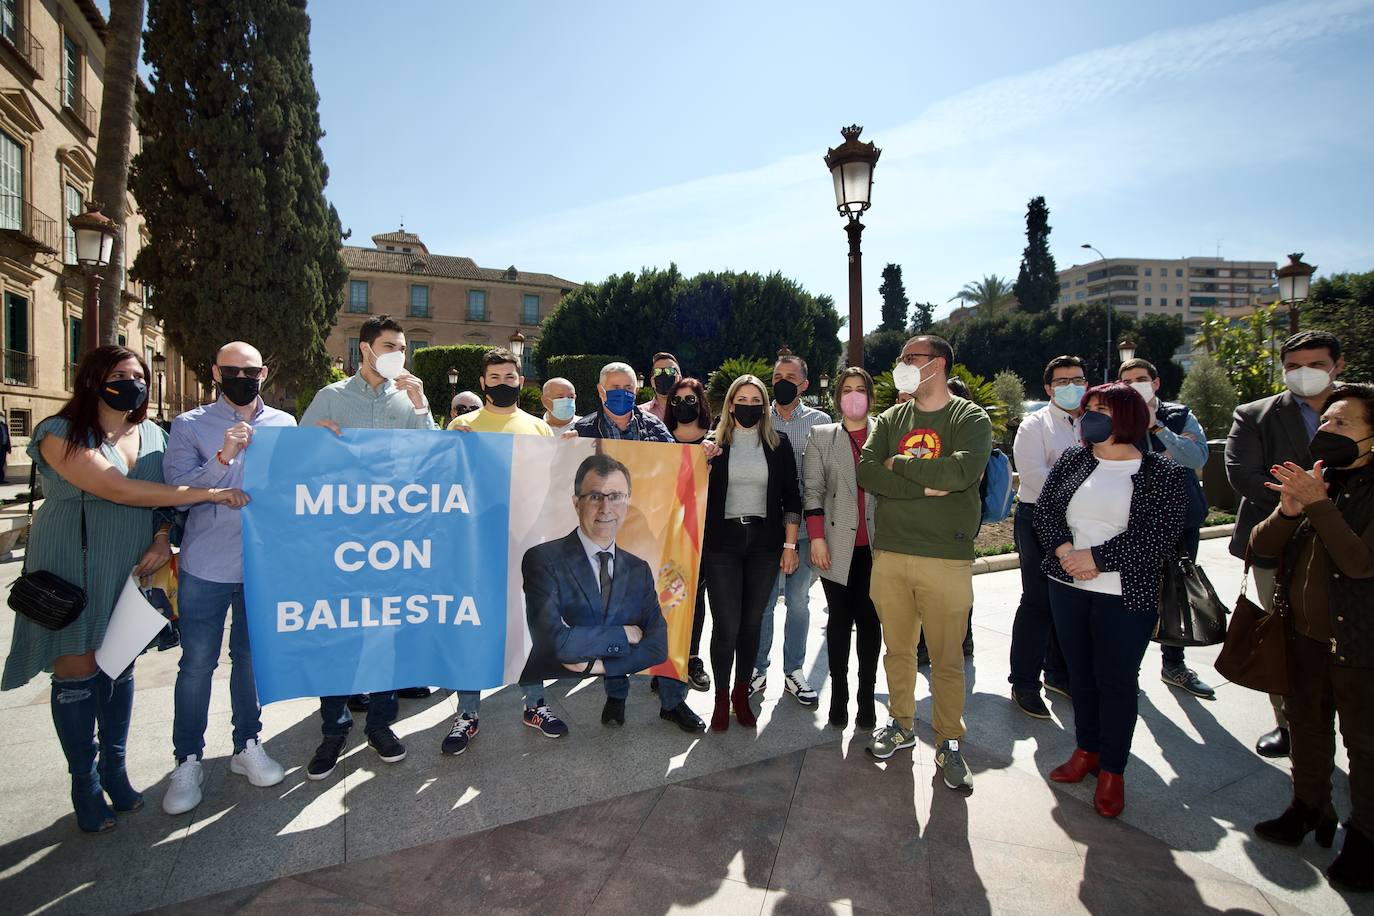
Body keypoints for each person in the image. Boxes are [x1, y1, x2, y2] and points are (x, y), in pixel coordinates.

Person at [1, 346, 249, 833]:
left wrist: (161, 537)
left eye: (137, 376)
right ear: (93, 379)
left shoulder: (155, 434)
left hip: (135, 569)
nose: (131, 383)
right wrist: (213, 492)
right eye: (119, 375)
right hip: (73, 561)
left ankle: (115, 770)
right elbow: (119, 489)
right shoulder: (60, 432)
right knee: (76, 669)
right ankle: (85, 782)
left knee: (117, 668)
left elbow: (163, 503)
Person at [1036, 383, 1189, 819]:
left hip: (1127, 594)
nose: (1090, 415)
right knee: (1079, 675)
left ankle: (1113, 771)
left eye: (1101, 408)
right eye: (1088, 409)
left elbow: (1156, 538)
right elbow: (1046, 513)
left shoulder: (1164, 473)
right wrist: (1067, 554)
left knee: (1117, 681)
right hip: (1067, 586)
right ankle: (1086, 751)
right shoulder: (1073, 459)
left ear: (1128, 416)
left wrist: (1095, 559)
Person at [299, 315, 437, 779]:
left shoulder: (409, 402)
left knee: (386, 636)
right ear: (365, 349)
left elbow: (434, 461)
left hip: (395, 541)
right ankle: (333, 731)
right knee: (338, 635)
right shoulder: (331, 398)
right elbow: (297, 462)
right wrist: (319, 447)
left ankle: (380, 725)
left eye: (402, 345)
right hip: (340, 542)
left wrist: (421, 406)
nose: (397, 352)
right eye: (388, 344)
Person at [1250, 382, 1374, 892]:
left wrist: (1319, 505)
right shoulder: (1322, 480)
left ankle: (1365, 839)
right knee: (1306, 727)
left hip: (1360, 645)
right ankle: (1307, 808)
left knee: (1365, 746)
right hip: (1304, 637)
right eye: (1326, 421)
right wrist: (1289, 510)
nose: (1327, 430)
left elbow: (1359, 563)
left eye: (1343, 423)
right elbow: (1261, 546)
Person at [160, 342, 293, 816]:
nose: (243, 377)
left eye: (252, 371)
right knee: (197, 663)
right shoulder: (190, 424)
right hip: (207, 564)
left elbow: (298, 485)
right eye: (233, 370)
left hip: (262, 565)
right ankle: (188, 759)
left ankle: (247, 744)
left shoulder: (284, 424)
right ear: (217, 372)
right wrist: (223, 457)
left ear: (264, 372)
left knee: (250, 660)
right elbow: (177, 494)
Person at [857, 336, 991, 793]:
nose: (902, 365)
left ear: (937, 364)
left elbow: (960, 473)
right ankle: (900, 724)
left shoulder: (969, 417)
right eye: (902, 359)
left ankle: (950, 742)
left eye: (910, 358)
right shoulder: (892, 418)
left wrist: (900, 465)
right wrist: (920, 485)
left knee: (946, 659)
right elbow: (868, 472)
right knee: (896, 651)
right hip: (892, 554)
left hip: (946, 557)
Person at [1227, 330, 1344, 759]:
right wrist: (1304, 500)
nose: (1304, 374)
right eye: (1293, 366)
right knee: (1280, 635)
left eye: (1315, 364)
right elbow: (1244, 474)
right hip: (1276, 542)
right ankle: (1288, 725)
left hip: (1349, 543)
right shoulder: (1256, 415)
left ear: (1338, 365)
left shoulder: (1361, 410)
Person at [443, 348, 567, 754]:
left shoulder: (538, 428)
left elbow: (553, 483)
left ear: (520, 381)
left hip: (527, 540)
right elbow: (442, 482)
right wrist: (446, 448)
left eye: (509, 377)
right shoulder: (461, 425)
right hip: (475, 540)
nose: (502, 384)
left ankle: (535, 704)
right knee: (473, 624)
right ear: (482, 383)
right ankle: (467, 712)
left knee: (530, 623)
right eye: (494, 378)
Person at [575, 362, 706, 732]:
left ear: (637, 391)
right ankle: (616, 696)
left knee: (663, 619)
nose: (622, 394)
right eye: (614, 387)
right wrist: (559, 450)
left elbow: (679, 470)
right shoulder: (583, 430)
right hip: (603, 542)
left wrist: (700, 455)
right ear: (601, 391)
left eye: (628, 388)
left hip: (651, 537)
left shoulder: (654, 428)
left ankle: (672, 701)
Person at [519, 454, 669, 711]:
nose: (606, 508)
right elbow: (554, 642)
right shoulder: (542, 559)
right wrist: (624, 633)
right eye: (595, 496)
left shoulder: (638, 569)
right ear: (577, 503)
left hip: (589, 675)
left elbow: (658, 647)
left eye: (616, 497)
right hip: (551, 687)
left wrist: (599, 666)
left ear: (628, 502)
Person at [702, 374, 802, 731]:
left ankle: (741, 695)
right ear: (730, 404)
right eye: (741, 400)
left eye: (754, 400)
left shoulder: (779, 444)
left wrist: (790, 546)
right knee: (726, 626)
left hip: (764, 542)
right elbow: (691, 490)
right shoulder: (713, 444)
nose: (748, 406)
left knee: (752, 624)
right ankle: (719, 698)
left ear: (764, 405)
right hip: (722, 544)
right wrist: (703, 461)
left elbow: (792, 498)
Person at [1118, 357, 1215, 700]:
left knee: (1176, 594)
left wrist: (1157, 428)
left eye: (1141, 379)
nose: (1134, 385)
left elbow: (1195, 458)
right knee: (1136, 597)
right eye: (1127, 380)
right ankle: (1128, 669)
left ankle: (1174, 665)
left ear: (1156, 383)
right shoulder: (1115, 418)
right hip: (1133, 521)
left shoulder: (1178, 415)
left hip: (1181, 519)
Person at [1006, 355, 1085, 719]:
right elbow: (1035, 476)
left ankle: (1059, 673)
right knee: (1038, 602)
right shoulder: (1035, 425)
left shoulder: (1092, 423)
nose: (1072, 387)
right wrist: (1087, 488)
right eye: (1063, 381)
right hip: (1038, 518)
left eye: (1078, 379)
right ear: (1050, 388)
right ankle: (1024, 682)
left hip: (1083, 523)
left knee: (1069, 601)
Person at [804, 367, 880, 729]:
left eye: (860, 389)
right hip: (835, 545)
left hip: (880, 547)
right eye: (847, 389)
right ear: (837, 397)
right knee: (839, 619)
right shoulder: (822, 436)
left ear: (870, 395)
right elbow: (813, 491)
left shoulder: (887, 432)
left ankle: (867, 696)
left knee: (870, 621)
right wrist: (816, 536)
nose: (854, 396)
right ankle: (839, 695)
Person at [752, 354, 829, 707]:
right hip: (766, 527)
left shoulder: (820, 422)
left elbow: (826, 477)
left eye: (790, 376)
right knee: (764, 603)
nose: (782, 381)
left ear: (804, 384)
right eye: (777, 375)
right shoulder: (756, 417)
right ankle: (757, 668)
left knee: (799, 601)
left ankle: (794, 671)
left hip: (804, 527)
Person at [664, 375, 715, 692]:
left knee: (696, 599)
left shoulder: (715, 442)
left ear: (702, 403)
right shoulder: (660, 440)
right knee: (669, 597)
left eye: (691, 400)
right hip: (668, 531)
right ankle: (665, 661)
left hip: (705, 533)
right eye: (678, 400)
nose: (684, 405)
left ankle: (692, 657)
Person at [639, 352, 681, 423]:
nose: (664, 375)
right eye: (657, 371)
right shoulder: (640, 413)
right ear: (652, 381)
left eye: (670, 371)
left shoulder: (693, 411)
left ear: (679, 379)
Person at [0, 408, 10, 482]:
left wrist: (9, 447)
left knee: (2, 463)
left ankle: (1, 478)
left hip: (4, 447)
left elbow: (7, 437)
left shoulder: (5, 426)